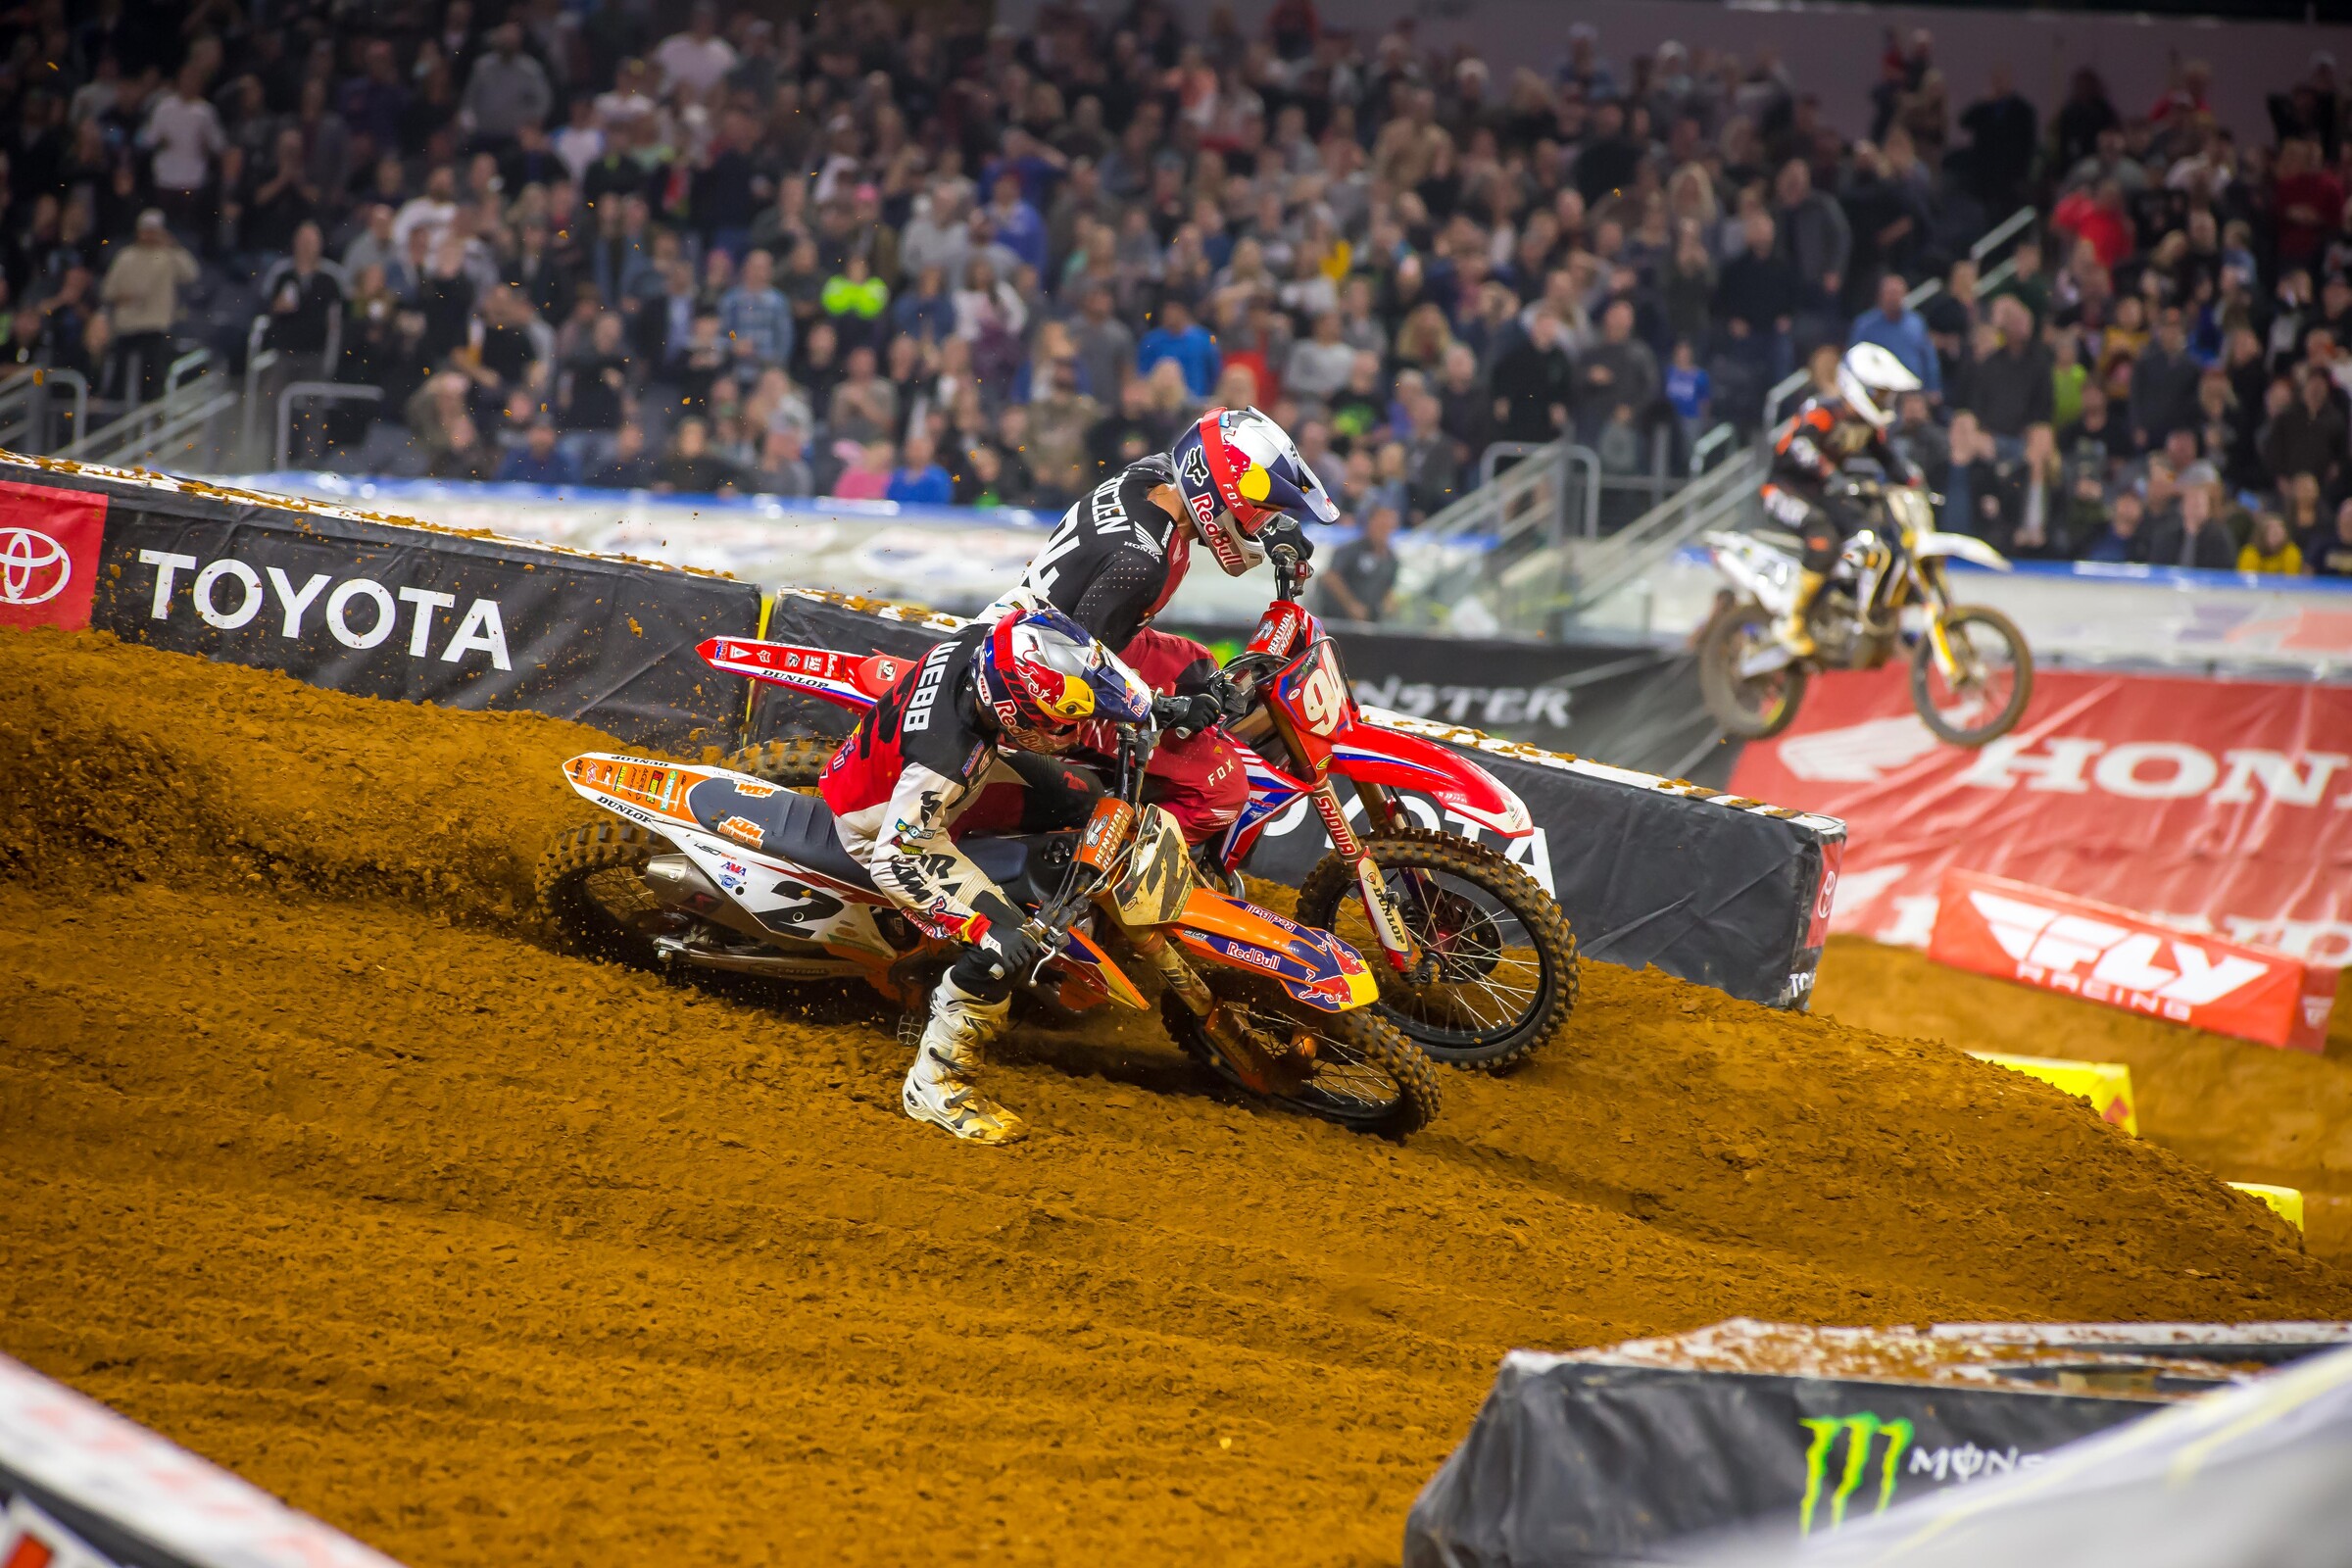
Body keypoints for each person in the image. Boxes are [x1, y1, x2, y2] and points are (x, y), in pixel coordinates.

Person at [819, 607, 1154, 1144]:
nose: (1066, 734)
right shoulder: (944, 758)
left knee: (1082, 795)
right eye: (1054, 724)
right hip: (887, 831)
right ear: (1011, 710)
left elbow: (1073, 649)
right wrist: (984, 927)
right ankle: (935, 1083)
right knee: (1009, 944)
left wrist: (1148, 706)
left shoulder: (993, 641)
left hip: (911, 779)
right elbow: (897, 856)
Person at [978, 405, 1337, 852]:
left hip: (1051, 631)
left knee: (1198, 667)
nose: (1258, 522)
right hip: (1038, 686)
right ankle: (1107, 877)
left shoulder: (1149, 477)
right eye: (1258, 511)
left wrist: (1273, 524)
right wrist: (1165, 709)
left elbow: (1200, 472)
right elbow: (1079, 670)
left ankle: (1151, 789)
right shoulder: (1141, 565)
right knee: (1221, 792)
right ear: (1221, 495)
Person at [1761, 342, 1922, 657]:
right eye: (1879, 393)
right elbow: (1800, 447)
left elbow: (1888, 459)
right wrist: (1832, 474)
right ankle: (1791, 620)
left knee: (1869, 536)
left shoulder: (1866, 425)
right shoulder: (1822, 410)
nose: (1885, 401)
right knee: (1823, 539)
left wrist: (1913, 482)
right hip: (1784, 489)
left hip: (1824, 494)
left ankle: (1843, 605)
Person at [1316, 505, 1401, 622]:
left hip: (1370, 623)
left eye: (1388, 526)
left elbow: (1388, 588)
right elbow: (1330, 577)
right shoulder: (1349, 550)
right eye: (1381, 525)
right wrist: (1351, 604)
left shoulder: (1392, 559)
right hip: (1339, 621)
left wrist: (1389, 604)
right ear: (1370, 523)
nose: (1384, 530)